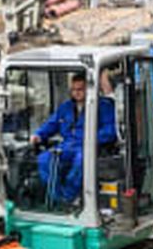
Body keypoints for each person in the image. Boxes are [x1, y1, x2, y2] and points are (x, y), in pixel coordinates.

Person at [30, 72, 118, 205]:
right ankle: (59, 198)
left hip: (89, 146)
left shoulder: (104, 106)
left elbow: (110, 130)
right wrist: (39, 135)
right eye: (73, 90)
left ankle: (69, 196)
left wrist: (91, 138)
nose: (76, 93)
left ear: (89, 89)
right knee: (44, 159)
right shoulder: (65, 107)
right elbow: (52, 124)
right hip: (67, 145)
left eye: (80, 89)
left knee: (81, 161)